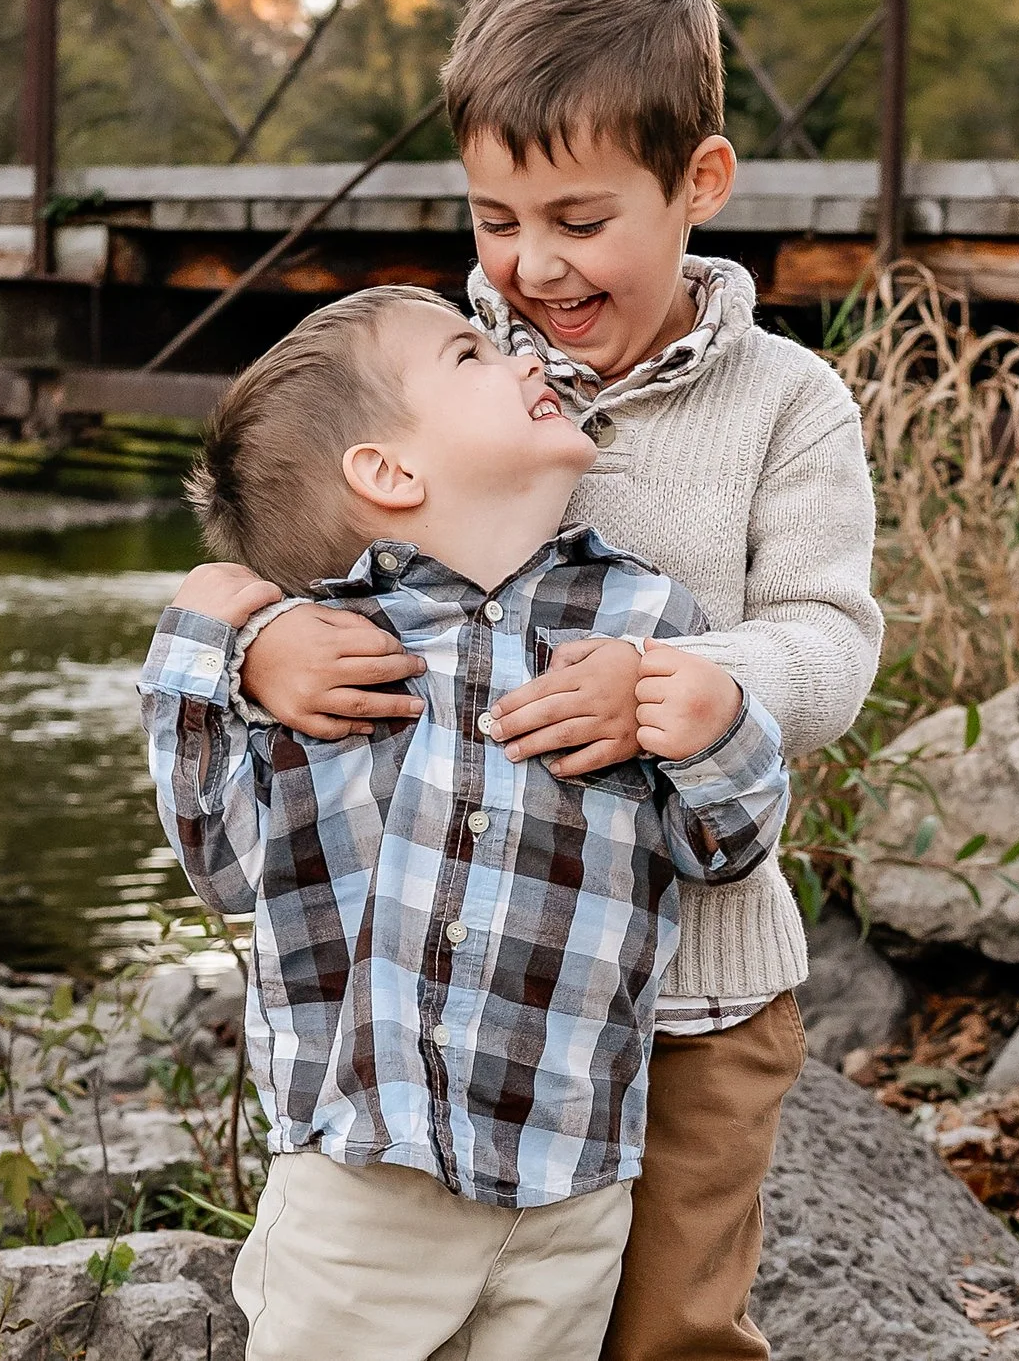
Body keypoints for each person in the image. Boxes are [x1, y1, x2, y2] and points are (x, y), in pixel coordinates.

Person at [215, 0, 885, 1361]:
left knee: (675, 1320)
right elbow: (303, 530)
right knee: (487, 1304)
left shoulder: (788, 402)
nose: (530, 265)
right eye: (495, 216)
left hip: (703, 975)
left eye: (579, 217)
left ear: (698, 185)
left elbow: (833, 632)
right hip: (491, 972)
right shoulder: (456, 377)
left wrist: (712, 687)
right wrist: (267, 641)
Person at [138, 283, 791, 1361]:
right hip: (368, 1178)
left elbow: (724, 847)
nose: (522, 355)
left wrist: (716, 721)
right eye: (469, 355)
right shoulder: (324, 654)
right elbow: (220, 863)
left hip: (571, 1181)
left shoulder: (643, 621)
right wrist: (211, 641)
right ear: (387, 473)